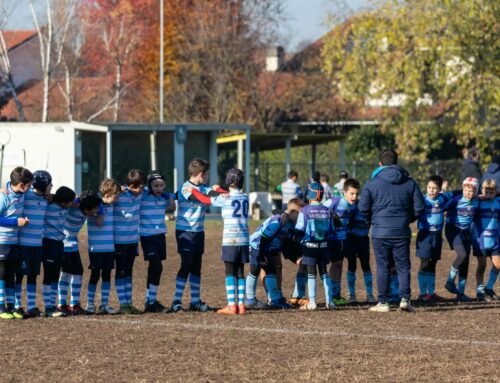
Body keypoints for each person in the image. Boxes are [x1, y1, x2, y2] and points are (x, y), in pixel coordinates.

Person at [358, 149, 425, 313]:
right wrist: (407, 220)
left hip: (380, 231)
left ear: (380, 164)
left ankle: (383, 302)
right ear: (396, 162)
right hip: (401, 231)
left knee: (383, 266)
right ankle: (405, 299)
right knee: (403, 266)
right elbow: (419, 207)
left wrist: (372, 221)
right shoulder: (410, 182)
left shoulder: (372, 183)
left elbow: (362, 208)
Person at [188, 168, 249, 315]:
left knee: (229, 272)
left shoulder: (224, 198)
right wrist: (219, 189)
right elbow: (227, 194)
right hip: (244, 240)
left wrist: (193, 191)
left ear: (228, 181)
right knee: (240, 272)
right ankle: (241, 305)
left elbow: (206, 199)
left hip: (230, 240)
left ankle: (230, 305)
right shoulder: (246, 197)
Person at [171, 158, 215, 313]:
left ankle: (195, 301)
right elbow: (200, 198)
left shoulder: (203, 187)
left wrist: (225, 192)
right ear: (202, 174)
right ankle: (176, 300)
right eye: (207, 174)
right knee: (186, 264)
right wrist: (214, 196)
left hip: (198, 232)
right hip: (185, 232)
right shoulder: (186, 188)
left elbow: (213, 192)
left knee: (196, 266)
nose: (208, 177)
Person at [57, 190, 102, 316]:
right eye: (95, 208)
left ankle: (74, 305)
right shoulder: (71, 209)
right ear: (87, 209)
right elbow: (59, 198)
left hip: (73, 245)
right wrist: (74, 201)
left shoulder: (85, 210)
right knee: (65, 274)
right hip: (63, 245)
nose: (97, 210)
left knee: (78, 272)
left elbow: (101, 204)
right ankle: (61, 305)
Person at [15, 170, 52, 318]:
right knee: (19, 275)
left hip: (38, 244)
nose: (51, 187)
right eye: (50, 184)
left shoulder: (46, 198)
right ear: (42, 185)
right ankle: (17, 305)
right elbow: (12, 190)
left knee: (32, 275)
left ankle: (31, 306)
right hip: (23, 244)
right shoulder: (25, 195)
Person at [246, 210, 298, 309]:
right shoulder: (278, 221)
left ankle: (253, 299)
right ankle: (273, 300)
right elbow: (264, 237)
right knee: (265, 271)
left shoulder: (287, 222)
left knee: (260, 271)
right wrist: (261, 255)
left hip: (262, 247)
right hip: (257, 246)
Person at [140, 171, 176, 313]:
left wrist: (170, 198)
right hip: (147, 237)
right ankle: (151, 301)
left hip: (160, 236)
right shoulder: (143, 197)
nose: (159, 188)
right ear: (149, 186)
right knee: (156, 264)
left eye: (161, 185)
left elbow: (172, 206)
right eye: (155, 185)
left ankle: (150, 301)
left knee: (155, 267)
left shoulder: (163, 198)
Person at [295, 182, 334, 311]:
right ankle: (330, 301)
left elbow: (299, 229)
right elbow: (331, 229)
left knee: (311, 274)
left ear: (309, 195)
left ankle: (313, 302)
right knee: (324, 274)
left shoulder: (305, 210)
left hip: (309, 247)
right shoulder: (328, 210)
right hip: (323, 246)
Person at [0, 167, 32, 319]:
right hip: (2, 241)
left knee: (11, 273)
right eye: (29, 185)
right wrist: (15, 222)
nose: (30, 187)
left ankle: (11, 307)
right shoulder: (3, 197)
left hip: (15, 242)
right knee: (2, 274)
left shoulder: (21, 194)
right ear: (21, 185)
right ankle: (1, 308)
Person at [86, 178, 121, 315]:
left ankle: (104, 304)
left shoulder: (111, 204)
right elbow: (99, 222)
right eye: (115, 197)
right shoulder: (93, 204)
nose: (117, 199)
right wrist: (99, 210)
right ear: (106, 196)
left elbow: (123, 189)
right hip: (96, 249)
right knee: (95, 275)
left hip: (109, 248)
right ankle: (90, 304)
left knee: (107, 275)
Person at [114, 169, 146, 315]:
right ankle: (122, 304)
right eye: (138, 186)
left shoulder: (141, 194)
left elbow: (163, 193)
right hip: (119, 241)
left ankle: (129, 303)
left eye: (143, 186)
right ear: (130, 185)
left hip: (133, 241)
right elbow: (102, 196)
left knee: (129, 272)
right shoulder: (119, 194)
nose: (141, 189)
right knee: (120, 271)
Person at [415, 175, 452, 302]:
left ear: (439, 189)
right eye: (429, 187)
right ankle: (421, 293)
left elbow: (456, 194)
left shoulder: (443, 198)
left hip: (437, 236)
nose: (431, 190)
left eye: (434, 188)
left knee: (433, 264)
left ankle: (430, 293)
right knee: (424, 263)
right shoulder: (422, 200)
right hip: (425, 235)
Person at [323, 178, 359, 305]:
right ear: (344, 192)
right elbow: (321, 211)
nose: (354, 197)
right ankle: (332, 294)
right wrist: (330, 222)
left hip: (343, 240)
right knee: (334, 265)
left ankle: (336, 294)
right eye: (352, 193)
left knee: (338, 265)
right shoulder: (335, 201)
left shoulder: (353, 205)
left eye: (356, 194)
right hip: (332, 240)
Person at [444, 177, 479, 302]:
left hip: (466, 232)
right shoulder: (456, 200)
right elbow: (442, 207)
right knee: (462, 255)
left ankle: (461, 292)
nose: (468, 193)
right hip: (453, 230)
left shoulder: (477, 201)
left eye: (471, 191)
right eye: (465, 190)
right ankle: (449, 281)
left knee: (465, 262)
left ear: (476, 192)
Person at [42, 186, 76, 317]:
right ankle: (47, 307)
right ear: (64, 202)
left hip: (59, 244)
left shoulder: (65, 208)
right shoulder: (48, 205)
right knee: (48, 275)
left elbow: (78, 200)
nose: (72, 204)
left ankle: (53, 305)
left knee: (56, 275)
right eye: (70, 202)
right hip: (48, 243)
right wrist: (50, 197)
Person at [472, 179, 499, 301]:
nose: (488, 194)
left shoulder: (498, 203)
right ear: (483, 191)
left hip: (495, 240)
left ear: (495, 192)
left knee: (498, 265)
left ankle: (489, 287)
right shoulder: (478, 202)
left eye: (491, 192)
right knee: (482, 265)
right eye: (486, 192)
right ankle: (480, 290)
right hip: (480, 240)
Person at [347, 192, 376, 303]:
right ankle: (351, 295)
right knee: (351, 266)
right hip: (351, 239)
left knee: (366, 266)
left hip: (363, 239)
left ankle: (369, 294)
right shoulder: (353, 207)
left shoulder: (370, 209)